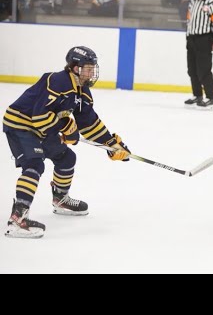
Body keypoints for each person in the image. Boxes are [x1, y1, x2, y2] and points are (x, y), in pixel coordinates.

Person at [2, 46, 131, 239]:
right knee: (34, 164)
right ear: (75, 67)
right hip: (21, 125)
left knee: (66, 158)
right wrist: (64, 126)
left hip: (41, 127)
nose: (91, 72)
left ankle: (60, 199)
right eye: (88, 68)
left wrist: (111, 144)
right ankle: (17, 219)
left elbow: (89, 123)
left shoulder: (82, 91)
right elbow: (39, 117)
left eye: (93, 68)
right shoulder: (58, 82)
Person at [184, 0, 213, 110]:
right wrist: (188, 36)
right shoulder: (193, 1)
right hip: (191, 39)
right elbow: (189, 19)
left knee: (204, 69)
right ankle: (197, 95)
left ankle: (211, 98)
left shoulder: (211, 2)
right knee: (192, 69)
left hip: (204, 39)